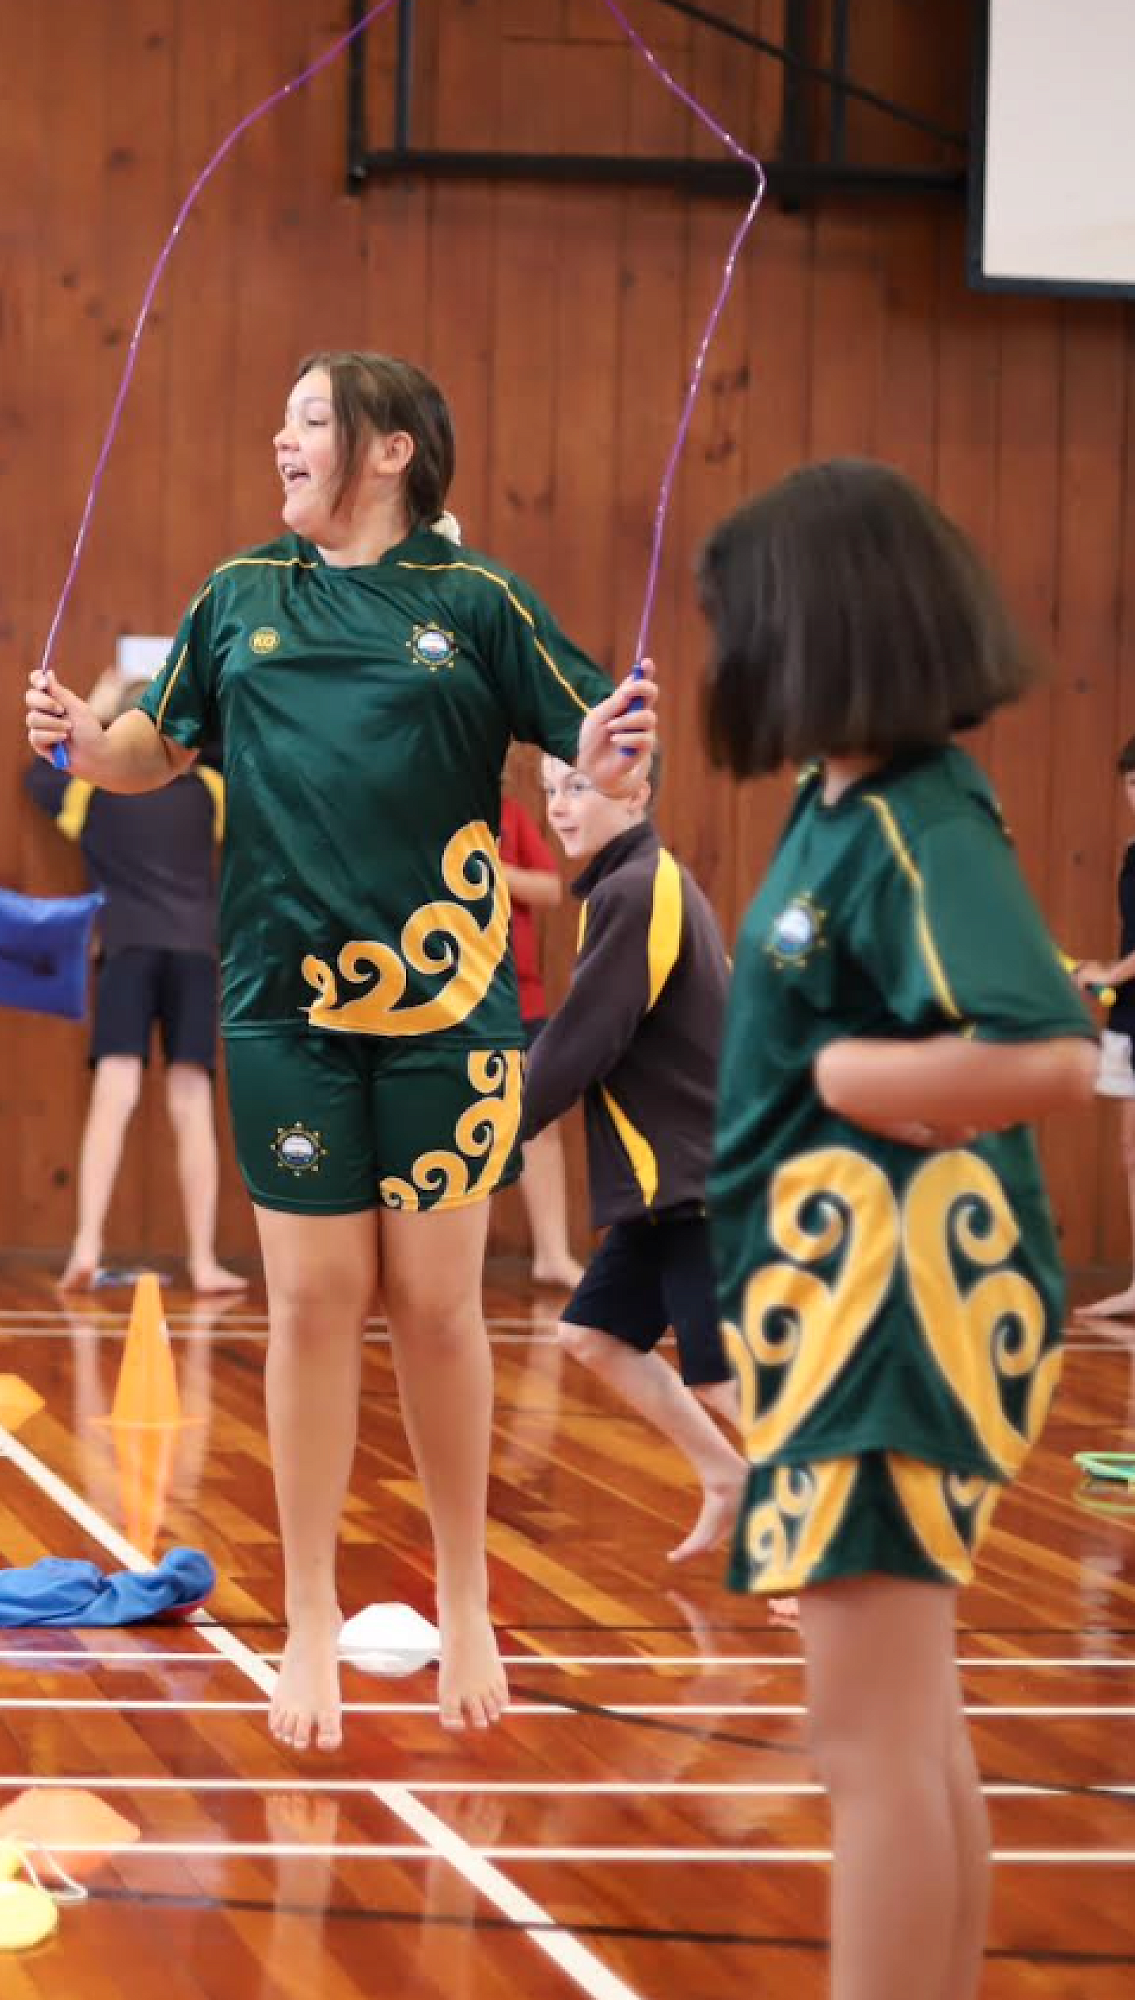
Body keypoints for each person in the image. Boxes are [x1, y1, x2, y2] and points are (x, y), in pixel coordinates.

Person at [26, 350, 653, 1750]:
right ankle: (305, 1613)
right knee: (311, 1305)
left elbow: (596, 742)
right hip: (281, 1007)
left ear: (387, 449)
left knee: (435, 1308)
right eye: (284, 415)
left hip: (449, 1016)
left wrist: (617, 750)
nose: (280, 438)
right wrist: (79, 741)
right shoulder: (237, 596)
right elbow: (145, 751)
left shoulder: (476, 601)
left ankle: (466, 1597)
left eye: (307, 418)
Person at [700, 460, 1096, 2000]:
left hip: (893, 1310)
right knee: (908, 1737)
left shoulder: (920, 821)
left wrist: (851, 1078)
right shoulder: (839, 806)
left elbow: (1046, 1049)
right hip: (838, 1306)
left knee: (865, 1747)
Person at [523, 749, 746, 1563]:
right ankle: (727, 1479)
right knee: (593, 1335)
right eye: (550, 788)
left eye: (578, 785)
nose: (559, 804)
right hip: (669, 1181)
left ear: (636, 792)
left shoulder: (637, 888)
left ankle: (828, 1544)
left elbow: (586, 1037)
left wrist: (493, 1127)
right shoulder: (625, 885)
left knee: (722, 1375)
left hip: (698, 1175)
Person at [25, 669, 245, 1295]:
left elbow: (40, 777)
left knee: (114, 1096)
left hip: (127, 947)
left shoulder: (90, 793)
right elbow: (227, 753)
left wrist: (93, 710)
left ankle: (86, 1246)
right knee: (192, 1103)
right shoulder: (209, 790)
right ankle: (203, 1261)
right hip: (195, 952)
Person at [497, 776, 585, 1290]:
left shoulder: (511, 814)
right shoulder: (428, 813)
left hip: (520, 998)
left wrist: (495, 873)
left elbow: (550, 887)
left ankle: (552, 1253)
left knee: (539, 1122)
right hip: (453, 1002)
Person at [1068, 735, 1135, 1318]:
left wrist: (1109, 972)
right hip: (1131, 1014)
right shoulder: (1133, 852)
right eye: (1133, 783)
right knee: (1131, 1148)